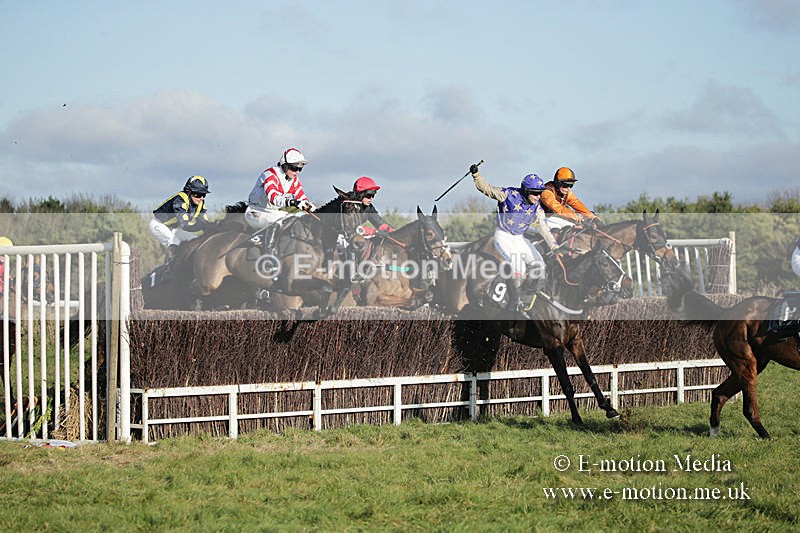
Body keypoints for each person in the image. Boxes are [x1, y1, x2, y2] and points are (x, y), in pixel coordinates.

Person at [470, 163, 558, 317]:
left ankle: (528, 297)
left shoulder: (537, 207)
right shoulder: (507, 194)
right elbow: (487, 189)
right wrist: (476, 176)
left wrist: (555, 247)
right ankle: (514, 303)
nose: (538, 197)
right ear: (525, 191)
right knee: (518, 266)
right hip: (502, 236)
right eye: (535, 193)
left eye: (540, 193)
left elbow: (544, 228)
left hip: (519, 238)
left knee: (539, 264)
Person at [245, 147, 315, 251]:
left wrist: (309, 206)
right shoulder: (270, 175)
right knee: (275, 222)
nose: (297, 172)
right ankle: (268, 256)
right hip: (255, 212)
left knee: (295, 219)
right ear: (285, 166)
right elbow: (274, 198)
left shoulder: (294, 179)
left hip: (274, 212)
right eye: (294, 168)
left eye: (300, 168)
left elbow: (301, 197)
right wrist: (293, 202)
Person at [149, 175, 216, 265]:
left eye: (203, 195)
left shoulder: (200, 203)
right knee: (175, 243)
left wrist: (213, 226)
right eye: (198, 194)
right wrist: (203, 226)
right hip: (159, 225)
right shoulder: (179, 200)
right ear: (188, 192)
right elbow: (185, 225)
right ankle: (167, 272)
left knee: (195, 241)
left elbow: (203, 222)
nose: (201, 198)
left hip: (176, 228)